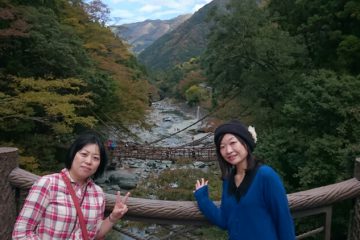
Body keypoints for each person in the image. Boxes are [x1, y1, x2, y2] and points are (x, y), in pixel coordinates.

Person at [13, 131, 130, 239]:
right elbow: (21, 233)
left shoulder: (97, 193)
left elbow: (95, 234)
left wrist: (113, 217)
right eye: (84, 154)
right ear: (73, 154)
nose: (89, 161)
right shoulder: (48, 184)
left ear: (100, 164)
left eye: (95, 158)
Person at [194, 120, 295, 239]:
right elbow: (225, 221)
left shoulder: (266, 175)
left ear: (245, 142)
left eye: (233, 143)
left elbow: (283, 221)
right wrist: (202, 198)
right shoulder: (228, 181)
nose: (228, 151)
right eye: (222, 147)